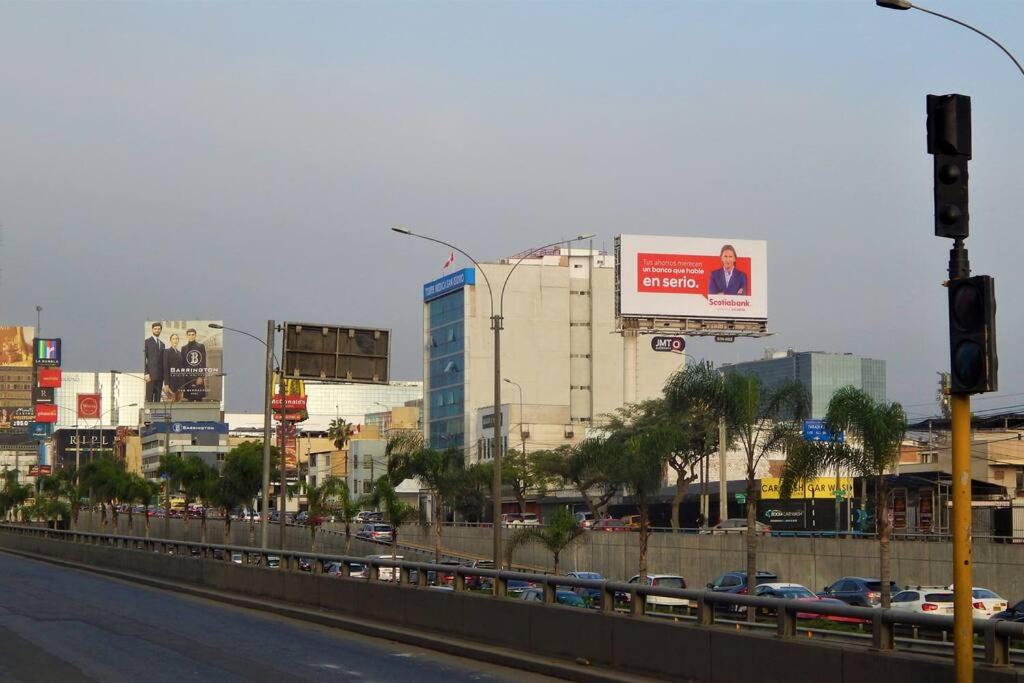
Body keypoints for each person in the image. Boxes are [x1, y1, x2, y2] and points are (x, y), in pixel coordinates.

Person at [180, 328, 207, 401]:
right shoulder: (183, 348)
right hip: (188, 379)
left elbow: (203, 362)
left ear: (195, 335)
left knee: (199, 399)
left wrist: (201, 377)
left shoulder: (200, 346)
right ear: (187, 336)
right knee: (189, 400)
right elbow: (183, 365)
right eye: (189, 335)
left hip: (197, 377)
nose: (191, 336)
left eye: (193, 334)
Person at [144, 322, 165, 402]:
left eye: (159, 329)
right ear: (152, 330)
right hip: (150, 375)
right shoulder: (147, 342)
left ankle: (156, 410)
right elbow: (143, 358)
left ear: (161, 330)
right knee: (149, 398)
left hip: (160, 376)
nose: (157, 330)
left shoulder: (162, 344)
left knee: (157, 399)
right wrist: (146, 373)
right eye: (155, 329)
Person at [162, 333, 184, 401]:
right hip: (171, 382)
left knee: (179, 402)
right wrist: (166, 383)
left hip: (180, 383)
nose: (175, 340)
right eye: (173, 339)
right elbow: (165, 368)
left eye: (177, 339)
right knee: (171, 402)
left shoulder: (180, 353)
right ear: (170, 341)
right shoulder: (166, 351)